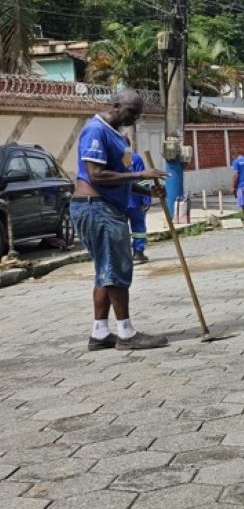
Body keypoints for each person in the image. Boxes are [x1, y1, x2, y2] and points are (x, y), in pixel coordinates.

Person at [72, 90, 169, 351]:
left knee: (106, 271)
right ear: (115, 105)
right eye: (131, 112)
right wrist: (141, 175)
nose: (134, 118)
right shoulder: (96, 130)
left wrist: (146, 189)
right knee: (116, 270)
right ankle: (126, 333)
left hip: (106, 207)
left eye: (138, 114)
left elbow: (118, 176)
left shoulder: (117, 135)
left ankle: (100, 333)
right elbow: (97, 175)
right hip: (96, 208)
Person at [127, 152, 152, 264]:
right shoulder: (136, 158)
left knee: (120, 228)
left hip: (119, 202)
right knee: (138, 226)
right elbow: (143, 180)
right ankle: (138, 252)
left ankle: (122, 254)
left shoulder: (112, 158)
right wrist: (146, 198)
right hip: (135, 200)